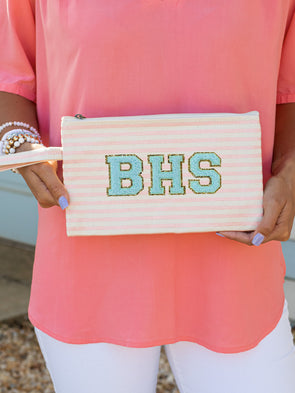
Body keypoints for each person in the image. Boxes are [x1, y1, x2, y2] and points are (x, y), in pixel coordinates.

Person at [1, 1, 295, 392]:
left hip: (234, 257)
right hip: (89, 263)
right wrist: (17, 140)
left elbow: (288, 88)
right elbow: (10, 76)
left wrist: (290, 170)